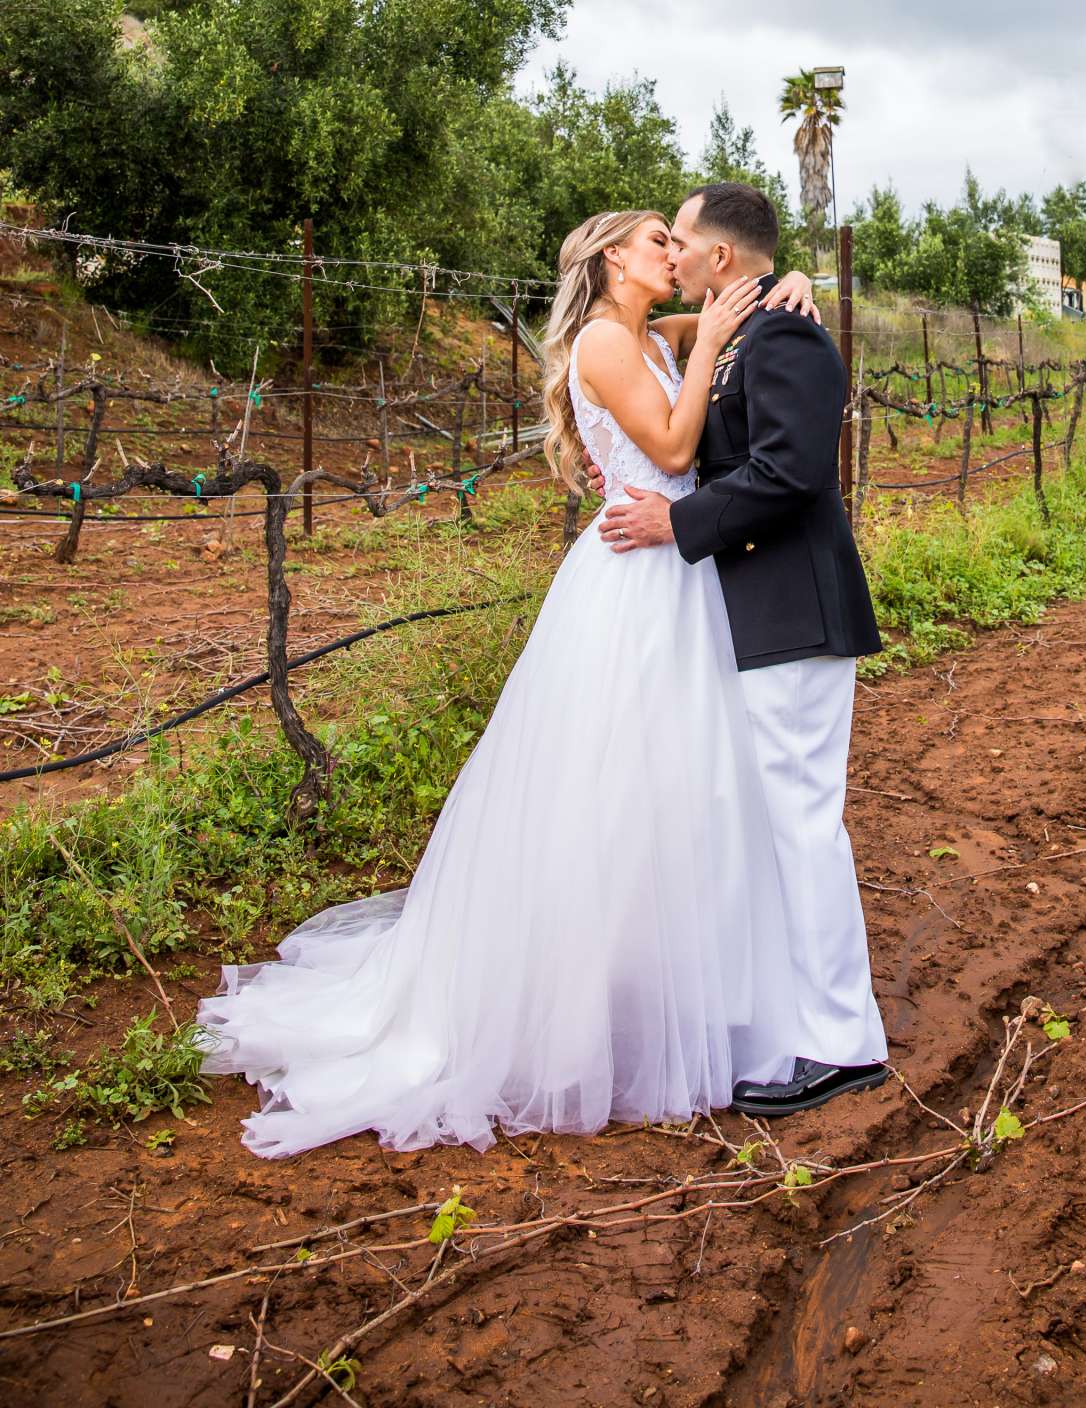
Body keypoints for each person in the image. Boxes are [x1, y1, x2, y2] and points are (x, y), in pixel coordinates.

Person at [195, 210, 817, 1153]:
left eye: (679, 243)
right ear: (614, 260)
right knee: (606, 791)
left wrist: (792, 290)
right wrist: (711, 348)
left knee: (675, 790)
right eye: (657, 241)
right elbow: (678, 452)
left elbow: (744, 302)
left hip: (680, 579)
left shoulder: (652, 331)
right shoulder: (610, 342)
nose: (674, 255)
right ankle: (578, 1007)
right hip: (635, 582)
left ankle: (671, 981)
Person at [600, 181, 889, 1117]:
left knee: (803, 825)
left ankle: (844, 1045)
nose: (673, 252)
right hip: (752, 615)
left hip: (794, 615)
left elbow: (791, 474)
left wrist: (678, 522)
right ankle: (792, 1014)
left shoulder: (789, 335)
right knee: (771, 825)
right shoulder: (749, 324)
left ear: (718, 257)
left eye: (679, 239)